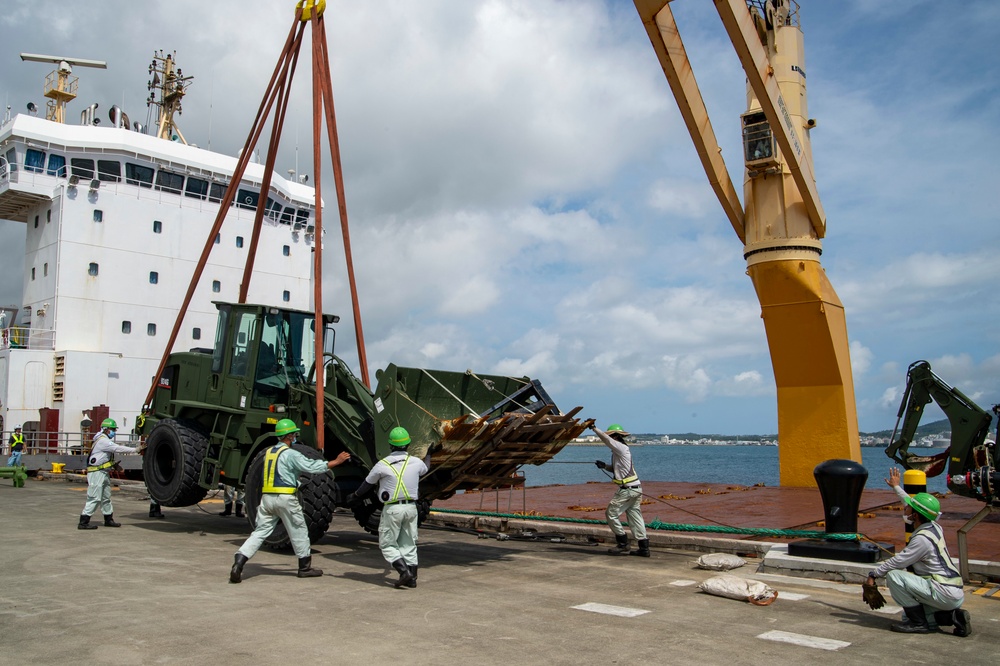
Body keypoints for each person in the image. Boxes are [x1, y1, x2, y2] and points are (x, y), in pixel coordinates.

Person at [229, 418, 350, 583]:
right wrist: (336, 461)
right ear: (289, 436)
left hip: (267, 499)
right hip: (286, 498)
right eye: (294, 434)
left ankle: (239, 562)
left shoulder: (269, 453)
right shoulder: (291, 454)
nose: (295, 437)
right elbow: (312, 467)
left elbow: (279, 474)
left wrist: (297, 482)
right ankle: (304, 567)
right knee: (299, 531)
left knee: (260, 532)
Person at [865, 468, 971, 636]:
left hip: (942, 591)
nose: (905, 509)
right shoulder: (934, 526)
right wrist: (896, 487)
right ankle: (953, 617)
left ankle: (919, 624)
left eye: (910, 509)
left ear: (916, 515)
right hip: (952, 591)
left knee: (894, 575)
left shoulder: (922, 539)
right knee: (907, 616)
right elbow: (909, 501)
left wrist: (874, 574)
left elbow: (898, 561)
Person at [346, 426, 430, 588]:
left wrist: (354, 496)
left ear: (390, 445)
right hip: (411, 508)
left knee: (387, 544)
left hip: (393, 509)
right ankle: (412, 579)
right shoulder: (416, 462)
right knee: (409, 543)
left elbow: (367, 485)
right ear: (408, 444)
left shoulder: (382, 465)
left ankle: (404, 572)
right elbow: (427, 466)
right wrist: (430, 452)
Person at [592, 423, 649, 557]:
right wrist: (605, 466)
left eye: (612, 436)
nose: (610, 439)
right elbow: (619, 470)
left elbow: (607, 440)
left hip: (627, 490)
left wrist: (594, 428)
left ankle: (623, 543)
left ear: (616, 436)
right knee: (635, 517)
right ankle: (644, 547)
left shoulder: (621, 448)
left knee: (611, 514)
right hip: (636, 488)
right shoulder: (621, 451)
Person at [78, 418, 140, 530]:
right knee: (94, 497)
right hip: (97, 473)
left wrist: (114, 465)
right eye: (112, 429)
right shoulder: (103, 441)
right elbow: (117, 448)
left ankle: (108, 519)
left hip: (103, 472)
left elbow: (103, 458)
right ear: (106, 429)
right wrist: (136, 450)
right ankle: (83, 521)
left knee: (106, 497)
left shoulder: (102, 440)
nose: (114, 432)